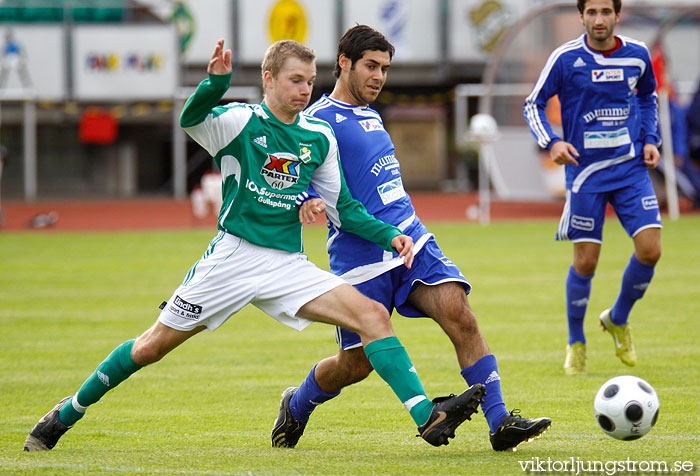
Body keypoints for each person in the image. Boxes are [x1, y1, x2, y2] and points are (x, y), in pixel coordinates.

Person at [23, 38, 486, 452]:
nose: (305, 90)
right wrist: (212, 85)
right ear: (268, 79)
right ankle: (69, 411)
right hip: (232, 259)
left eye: (309, 80)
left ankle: (426, 416)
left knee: (373, 317)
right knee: (149, 348)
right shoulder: (239, 121)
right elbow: (190, 119)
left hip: (286, 263)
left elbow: (344, 206)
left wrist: (390, 235)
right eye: (294, 80)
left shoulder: (317, 137)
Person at [271, 25, 551, 452]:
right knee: (355, 365)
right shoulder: (316, 121)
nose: (379, 77)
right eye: (371, 66)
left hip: (411, 241)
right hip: (360, 258)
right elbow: (298, 171)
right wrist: (308, 198)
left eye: (384, 68)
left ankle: (500, 422)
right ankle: (299, 401)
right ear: (343, 62)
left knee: (461, 314)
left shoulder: (371, 114)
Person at [523, 0, 662, 375]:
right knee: (586, 262)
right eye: (592, 12)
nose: (599, 19)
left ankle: (618, 318)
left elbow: (648, 97)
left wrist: (651, 138)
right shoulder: (565, 58)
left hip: (631, 168)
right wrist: (552, 143)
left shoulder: (637, 55)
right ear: (581, 16)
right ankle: (576, 341)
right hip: (586, 174)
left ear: (618, 15)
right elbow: (533, 104)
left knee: (650, 250)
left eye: (606, 12)